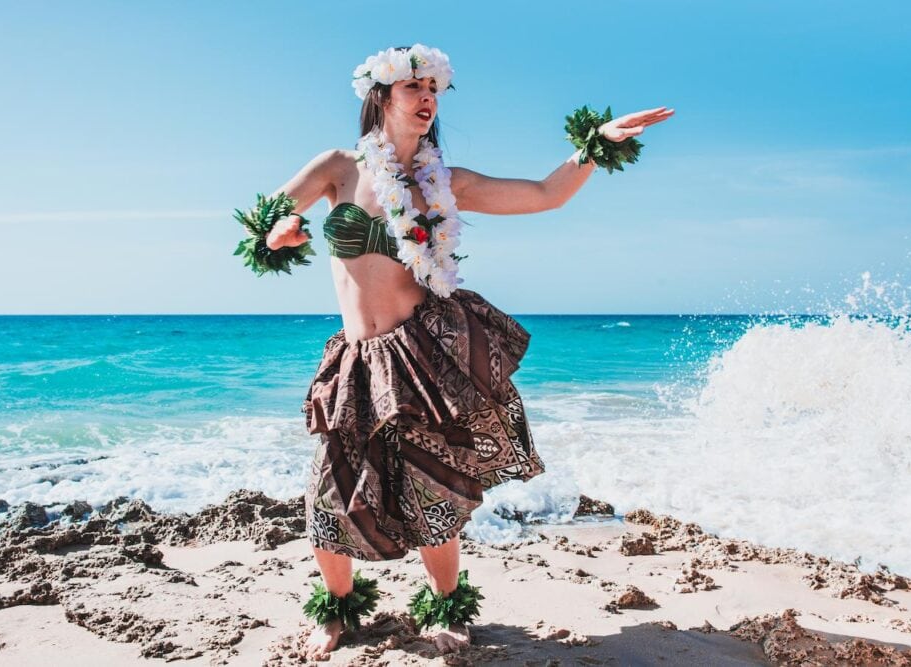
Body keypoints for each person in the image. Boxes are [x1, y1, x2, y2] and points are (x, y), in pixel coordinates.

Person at [264, 44, 673, 659]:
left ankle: (445, 609)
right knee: (331, 488)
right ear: (382, 96)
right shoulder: (339, 169)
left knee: (434, 487)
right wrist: (280, 232)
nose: (428, 98)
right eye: (414, 87)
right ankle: (336, 612)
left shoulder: (445, 184)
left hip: (422, 355)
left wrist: (594, 144)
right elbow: (270, 214)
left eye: (435, 88)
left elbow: (543, 193)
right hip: (357, 357)